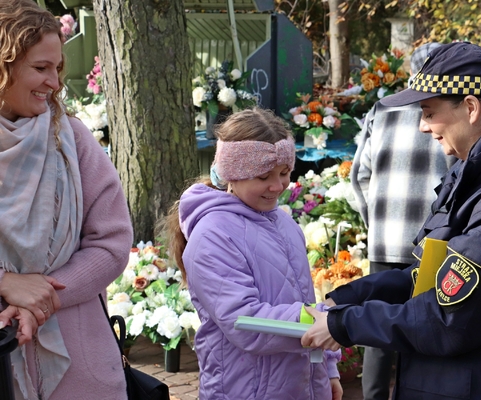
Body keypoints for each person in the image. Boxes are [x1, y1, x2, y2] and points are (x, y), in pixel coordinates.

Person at [301, 42, 481, 399]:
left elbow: (447, 318)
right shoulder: (473, 177)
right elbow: (430, 277)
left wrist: (343, 325)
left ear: (471, 108)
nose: (423, 127)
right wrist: (348, 297)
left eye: (428, 111)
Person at [0, 1, 133, 399]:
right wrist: (7, 283)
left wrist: (42, 299)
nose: (55, 83)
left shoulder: (71, 139)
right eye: (41, 68)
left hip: (81, 364)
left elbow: (111, 242)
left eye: (57, 68)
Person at [164, 107, 342, 400]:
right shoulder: (213, 235)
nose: (277, 186)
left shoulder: (283, 221)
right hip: (246, 389)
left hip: (301, 384)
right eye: (263, 177)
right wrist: (324, 322)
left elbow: (303, 297)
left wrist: (328, 369)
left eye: (284, 173)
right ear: (232, 174)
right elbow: (245, 321)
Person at [351, 41, 455, 400]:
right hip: (434, 243)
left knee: (376, 331)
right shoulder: (451, 110)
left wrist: (375, 220)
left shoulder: (383, 108)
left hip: (385, 235)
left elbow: (359, 175)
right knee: (423, 324)